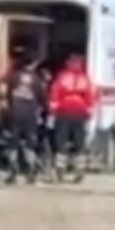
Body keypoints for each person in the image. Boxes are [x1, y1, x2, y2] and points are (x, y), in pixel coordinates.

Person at [48, 53, 97, 183]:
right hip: (80, 113)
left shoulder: (62, 77)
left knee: (61, 141)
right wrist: (89, 113)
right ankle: (80, 169)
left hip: (64, 112)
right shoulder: (85, 79)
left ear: (68, 63)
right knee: (79, 143)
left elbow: (54, 93)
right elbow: (91, 97)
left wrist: (52, 111)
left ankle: (59, 168)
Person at [0, 56, 46, 184]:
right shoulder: (37, 79)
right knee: (30, 142)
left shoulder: (12, 77)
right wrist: (44, 111)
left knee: (13, 143)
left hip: (14, 113)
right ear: (33, 64)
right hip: (30, 114)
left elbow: (5, 93)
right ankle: (30, 171)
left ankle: (12, 170)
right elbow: (43, 97)